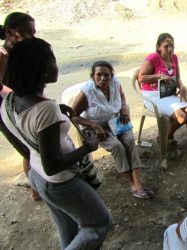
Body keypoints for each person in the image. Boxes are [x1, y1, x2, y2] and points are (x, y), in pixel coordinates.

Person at [0, 38, 112, 249]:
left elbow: (26, 129)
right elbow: (52, 164)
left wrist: (56, 111)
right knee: (99, 223)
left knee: (67, 226)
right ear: (39, 70)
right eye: (52, 61)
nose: (56, 65)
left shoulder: (11, 99)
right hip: (59, 181)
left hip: (36, 174)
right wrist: (87, 147)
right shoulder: (46, 110)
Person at [72, 60, 153, 199]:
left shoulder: (115, 83)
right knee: (117, 146)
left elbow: (122, 95)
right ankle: (131, 183)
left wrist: (122, 109)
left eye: (106, 75)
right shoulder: (87, 92)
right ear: (92, 76)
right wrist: (95, 126)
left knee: (129, 141)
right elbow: (73, 116)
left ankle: (137, 180)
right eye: (99, 75)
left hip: (115, 121)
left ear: (111, 75)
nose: (103, 78)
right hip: (95, 126)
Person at [0, 12, 40, 200]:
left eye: (33, 32)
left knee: (31, 147)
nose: (31, 37)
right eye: (26, 32)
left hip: (25, 105)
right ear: (10, 32)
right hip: (9, 110)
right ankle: (36, 188)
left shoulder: (22, 53)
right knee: (27, 149)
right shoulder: (3, 56)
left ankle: (36, 187)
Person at [138, 33, 187, 148]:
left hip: (169, 93)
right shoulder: (153, 58)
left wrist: (182, 86)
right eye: (166, 46)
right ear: (158, 46)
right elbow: (141, 78)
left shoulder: (174, 57)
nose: (170, 49)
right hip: (153, 96)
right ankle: (166, 138)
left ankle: (164, 135)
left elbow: (177, 77)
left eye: (172, 46)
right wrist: (158, 76)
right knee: (181, 116)